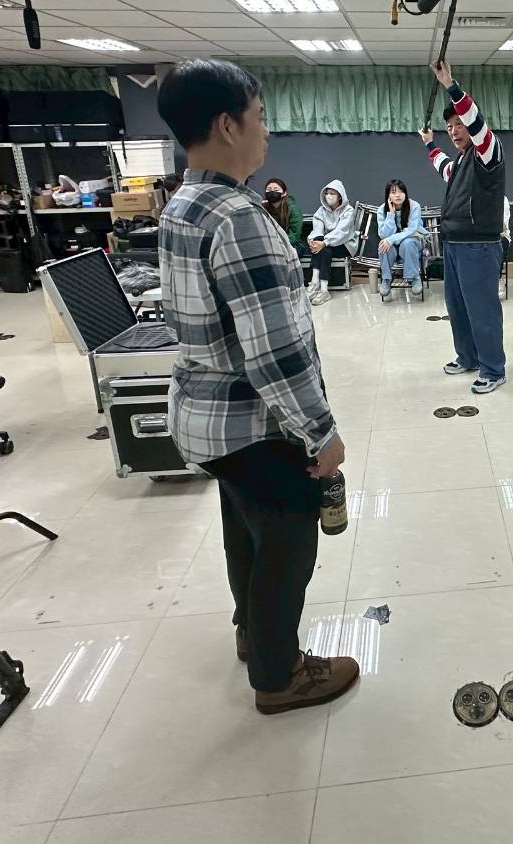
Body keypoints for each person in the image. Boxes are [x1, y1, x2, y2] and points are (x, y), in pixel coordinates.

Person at [155, 59, 359, 715]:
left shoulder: (182, 204)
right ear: (227, 124)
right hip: (252, 422)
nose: (266, 131)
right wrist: (320, 435)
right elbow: (275, 353)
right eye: (260, 116)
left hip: (204, 417)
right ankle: (278, 676)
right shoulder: (239, 219)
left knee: (246, 529)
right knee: (288, 543)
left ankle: (252, 633)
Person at [419, 58, 507, 394]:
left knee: (482, 310)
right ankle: (468, 357)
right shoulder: (460, 162)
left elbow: (477, 122)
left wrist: (450, 86)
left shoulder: (489, 152)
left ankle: (493, 369)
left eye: (459, 124)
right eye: (450, 127)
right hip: (454, 246)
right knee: (458, 308)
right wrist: (429, 144)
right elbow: (442, 166)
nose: (455, 131)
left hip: (479, 247)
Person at [305, 179, 357, 306]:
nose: (329, 196)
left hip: (345, 245)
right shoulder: (321, 211)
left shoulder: (348, 210)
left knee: (324, 248)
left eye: (332, 193)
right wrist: (313, 241)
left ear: (340, 196)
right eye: (327, 193)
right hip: (326, 245)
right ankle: (321, 288)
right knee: (322, 246)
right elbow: (317, 229)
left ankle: (317, 285)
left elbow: (342, 232)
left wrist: (324, 242)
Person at [377, 178, 425, 300]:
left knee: (407, 243)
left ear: (405, 193)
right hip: (393, 246)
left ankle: (414, 277)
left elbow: (411, 230)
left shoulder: (414, 206)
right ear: (388, 196)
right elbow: (384, 235)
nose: (398, 195)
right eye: (393, 192)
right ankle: (386, 279)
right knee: (383, 245)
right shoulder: (382, 209)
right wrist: (391, 215)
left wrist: (391, 239)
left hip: (412, 241)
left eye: (400, 191)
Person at [261, 177, 304, 254]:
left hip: (292, 245)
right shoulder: (263, 207)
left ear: (284, 193)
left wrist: (278, 244)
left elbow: (294, 235)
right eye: (269, 190)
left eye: (276, 190)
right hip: (270, 244)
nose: (272, 192)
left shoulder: (293, 209)